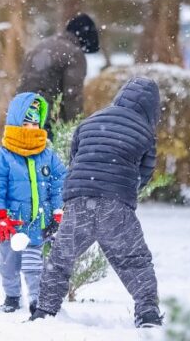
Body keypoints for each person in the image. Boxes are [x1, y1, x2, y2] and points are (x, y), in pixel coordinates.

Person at [30, 77, 163, 328]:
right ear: (152, 108)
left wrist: (83, 188)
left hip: (78, 198)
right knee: (134, 259)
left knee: (60, 257)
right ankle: (147, 313)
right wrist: (124, 191)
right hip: (115, 204)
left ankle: (45, 309)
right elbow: (145, 173)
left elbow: (75, 158)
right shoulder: (146, 132)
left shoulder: (91, 121)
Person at [0, 92, 67, 314]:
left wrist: (58, 210)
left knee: (34, 264)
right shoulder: (4, 157)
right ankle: (12, 295)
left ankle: (36, 300)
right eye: (27, 123)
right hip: (11, 223)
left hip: (38, 222)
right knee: (9, 265)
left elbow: (60, 181)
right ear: (17, 122)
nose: (31, 128)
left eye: (36, 123)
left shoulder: (47, 155)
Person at [17, 13, 99, 127]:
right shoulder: (74, 53)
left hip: (21, 110)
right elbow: (72, 95)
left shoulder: (43, 45)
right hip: (46, 114)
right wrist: (75, 127)